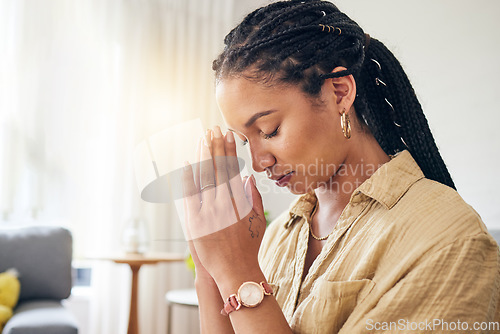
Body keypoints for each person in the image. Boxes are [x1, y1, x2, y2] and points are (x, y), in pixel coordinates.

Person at [181, 0, 500, 333]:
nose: (260, 163)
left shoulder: (448, 239)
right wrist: (210, 270)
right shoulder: (275, 237)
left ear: (339, 92)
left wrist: (240, 273)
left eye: (269, 131)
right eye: (248, 142)